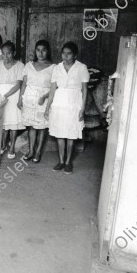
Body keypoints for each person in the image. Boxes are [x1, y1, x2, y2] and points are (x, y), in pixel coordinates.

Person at [45, 42, 89, 174]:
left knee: (71, 135)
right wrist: (48, 106)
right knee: (60, 134)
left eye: (69, 53)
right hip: (59, 103)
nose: (65, 56)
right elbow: (53, 88)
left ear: (75, 55)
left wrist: (82, 108)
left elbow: (85, 89)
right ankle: (61, 161)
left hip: (74, 103)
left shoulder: (82, 68)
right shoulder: (57, 68)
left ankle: (69, 162)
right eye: (63, 53)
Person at [18, 40, 55, 163]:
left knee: (42, 127)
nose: (40, 53)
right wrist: (20, 99)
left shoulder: (53, 67)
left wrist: (45, 96)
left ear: (48, 51)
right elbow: (23, 84)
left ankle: (38, 152)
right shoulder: (29, 65)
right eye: (38, 50)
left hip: (43, 100)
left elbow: (56, 87)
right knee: (31, 127)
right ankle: (31, 151)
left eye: (43, 50)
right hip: (29, 99)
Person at [0, 41, 24, 159]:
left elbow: (18, 85)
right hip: (0, 96)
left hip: (13, 96)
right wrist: (0, 97)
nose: (6, 57)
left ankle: (12, 147)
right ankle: (3, 144)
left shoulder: (20, 65)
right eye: (3, 54)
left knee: (13, 123)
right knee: (3, 122)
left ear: (14, 53)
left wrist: (6, 96)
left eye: (8, 54)